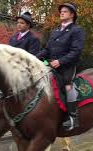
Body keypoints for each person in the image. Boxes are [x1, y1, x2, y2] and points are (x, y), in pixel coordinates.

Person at [36, 2, 85, 131]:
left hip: (67, 66)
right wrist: (34, 58)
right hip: (51, 65)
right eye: (61, 11)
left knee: (68, 86)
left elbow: (76, 51)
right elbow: (47, 50)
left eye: (65, 11)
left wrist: (60, 61)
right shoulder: (55, 31)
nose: (61, 13)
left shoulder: (77, 30)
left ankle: (72, 117)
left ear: (72, 14)